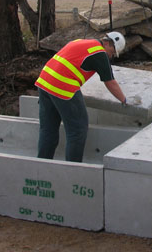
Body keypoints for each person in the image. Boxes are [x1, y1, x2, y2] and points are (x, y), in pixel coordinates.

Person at [35, 32, 129, 162]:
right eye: (112, 52)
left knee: (48, 129)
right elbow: (110, 82)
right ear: (106, 43)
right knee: (78, 130)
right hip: (63, 86)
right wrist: (124, 100)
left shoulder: (81, 41)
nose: (110, 56)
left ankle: (41, 166)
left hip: (44, 82)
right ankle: (73, 170)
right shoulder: (100, 53)